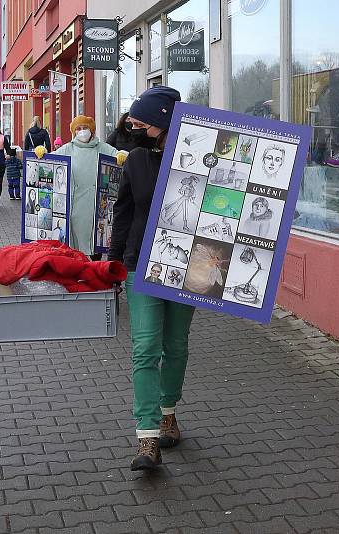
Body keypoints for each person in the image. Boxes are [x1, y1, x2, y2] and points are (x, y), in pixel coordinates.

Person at [109, 86, 194, 471]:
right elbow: (123, 212)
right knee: (145, 348)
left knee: (175, 345)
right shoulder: (137, 160)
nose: (133, 123)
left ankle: (168, 413)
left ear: (163, 119)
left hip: (188, 266)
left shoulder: (195, 158)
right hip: (141, 263)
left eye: (141, 118)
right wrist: (113, 262)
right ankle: (147, 440)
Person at [52, 115, 120, 256]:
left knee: (96, 238)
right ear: (74, 131)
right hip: (76, 203)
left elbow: (117, 155)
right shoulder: (67, 148)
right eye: (79, 128)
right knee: (77, 241)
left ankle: (95, 268)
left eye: (85, 128)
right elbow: (51, 159)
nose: (82, 131)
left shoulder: (102, 147)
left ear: (92, 130)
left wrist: (123, 156)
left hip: (97, 202)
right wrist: (40, 154)